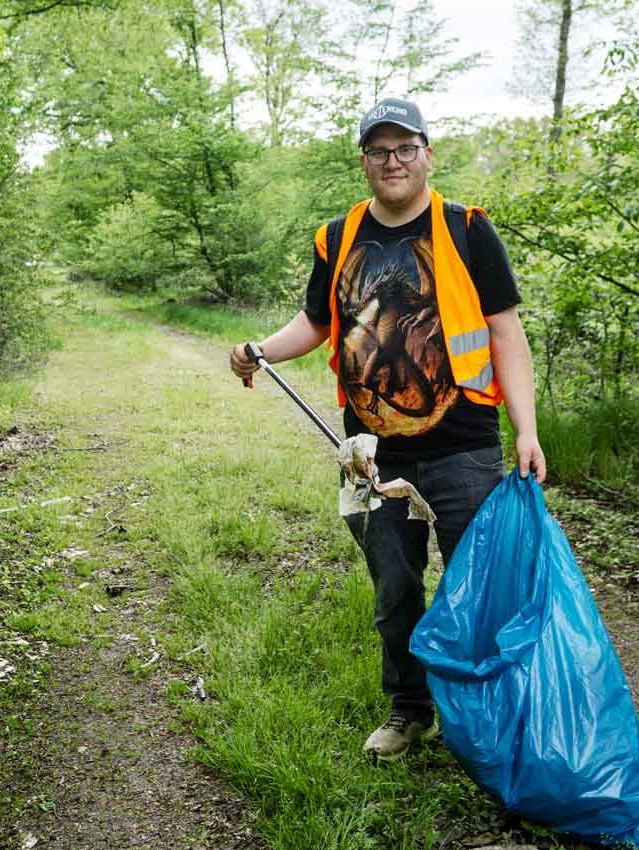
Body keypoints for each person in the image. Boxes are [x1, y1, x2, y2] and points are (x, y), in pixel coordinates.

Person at [228, 97, 547, 762]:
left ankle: (486, 719)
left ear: (428, 153)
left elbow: (505, 332)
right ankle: (411, 711)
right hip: (371, 453)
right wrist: (262, 348)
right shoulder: (338, 236)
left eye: (406, 148)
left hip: (464, 447)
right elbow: (317, 320)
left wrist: (527, 428)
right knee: (395, 590)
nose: (393, 160)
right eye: (380, 150)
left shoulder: (466, 229)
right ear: (365, 161)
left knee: (475, 589)